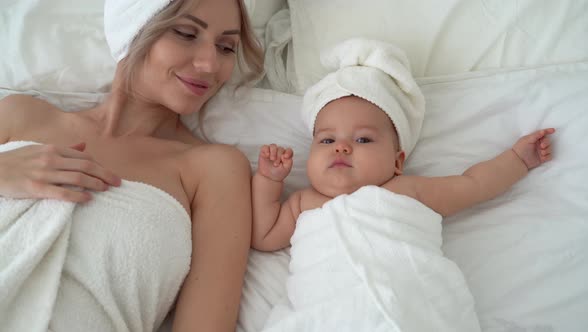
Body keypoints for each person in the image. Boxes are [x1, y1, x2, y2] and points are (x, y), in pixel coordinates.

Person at [249, 38, 555, 331]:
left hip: (411, 307)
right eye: (327, 139)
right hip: (324, 314)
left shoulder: (408, 190)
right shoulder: (304, 202)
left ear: (397, 161)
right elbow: (263, 235)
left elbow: (473, 184)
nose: (341, 147)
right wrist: (268, 181)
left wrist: (518, 159)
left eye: (363, 139)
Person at [0, 0, 263, 331]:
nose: (210, 64)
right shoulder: (19, 116)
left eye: (226, 47)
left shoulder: (213, 170)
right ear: (134, 28)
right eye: (185, 33)